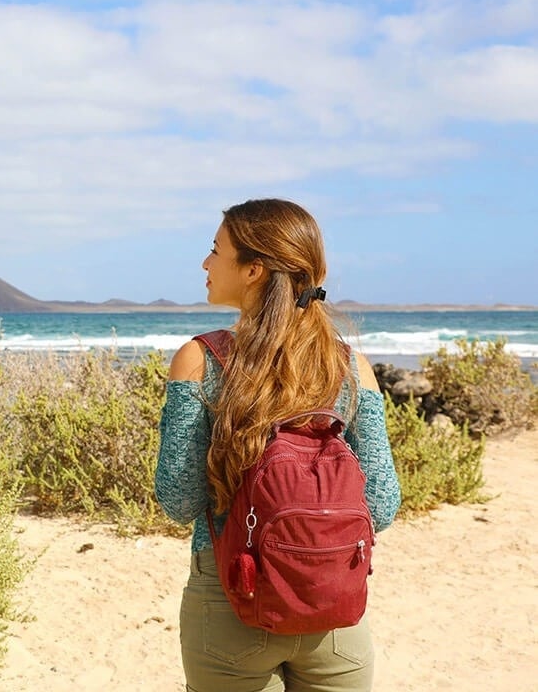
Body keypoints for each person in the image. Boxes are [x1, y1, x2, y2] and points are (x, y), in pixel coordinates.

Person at [154, 198, 401, 692]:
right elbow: (382, 504)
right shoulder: (351, 367)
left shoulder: (201, 360)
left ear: (254, 269)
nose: (205, 263)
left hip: (230, 600)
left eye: (215, 250)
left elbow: (179, 501)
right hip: (333, 611)